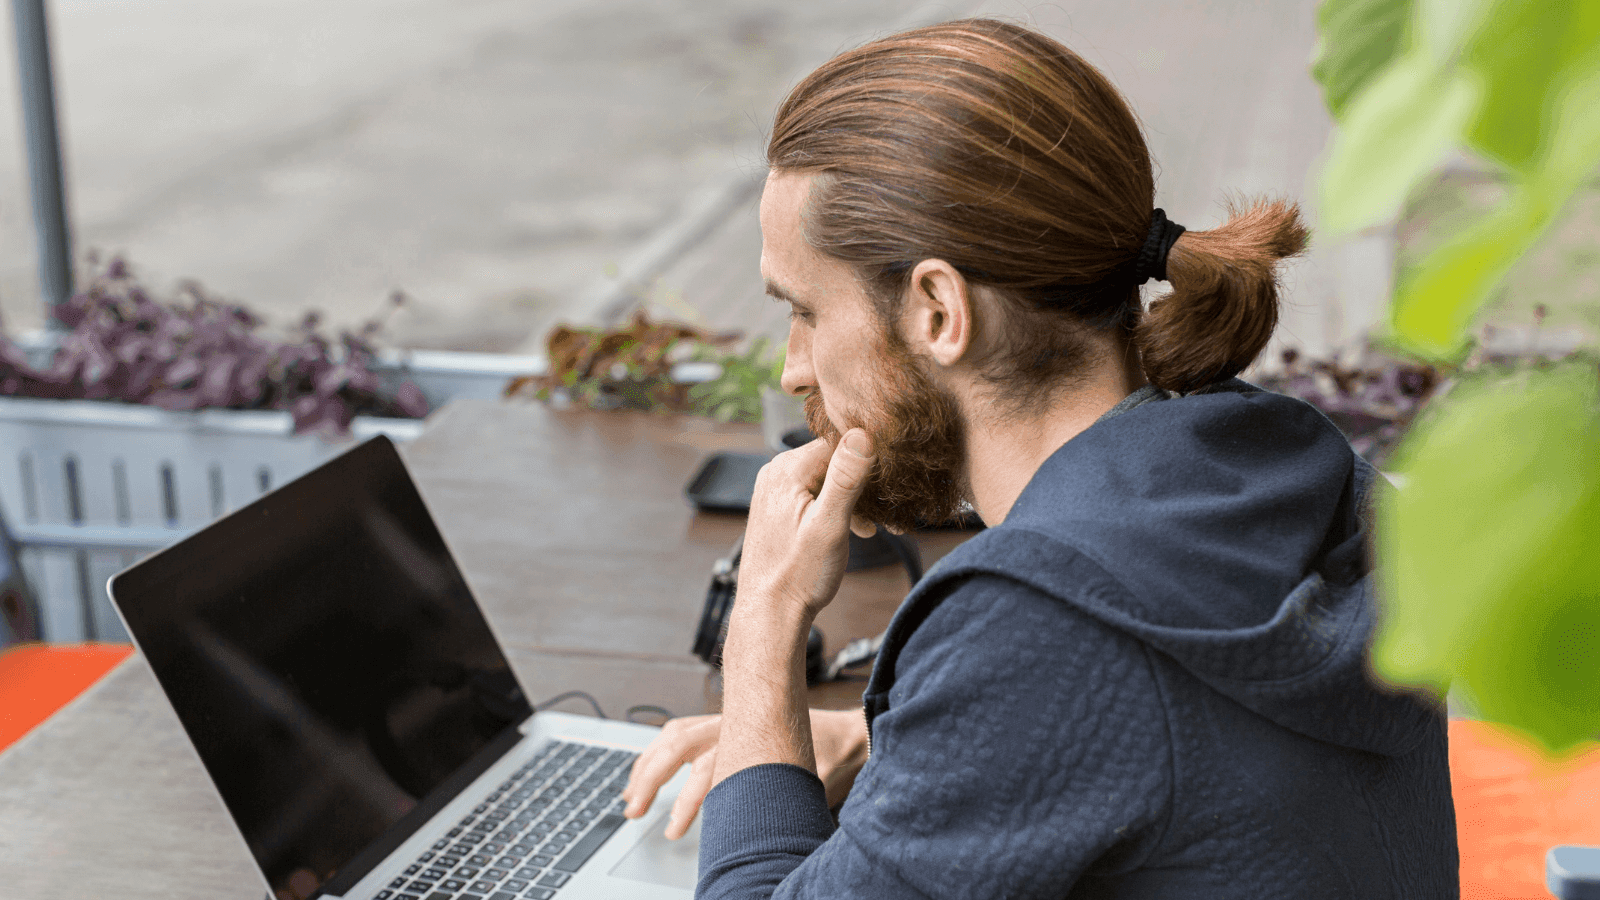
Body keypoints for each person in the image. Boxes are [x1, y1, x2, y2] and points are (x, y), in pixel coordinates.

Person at [621, 17, 1459, 899]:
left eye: (805, 311)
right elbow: (1172, 734)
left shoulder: (1040, 622)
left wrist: (764, 617)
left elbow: (1072, 670)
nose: (795, 366)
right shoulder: (1289, 469)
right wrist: (900, 745)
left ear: (938, 311)